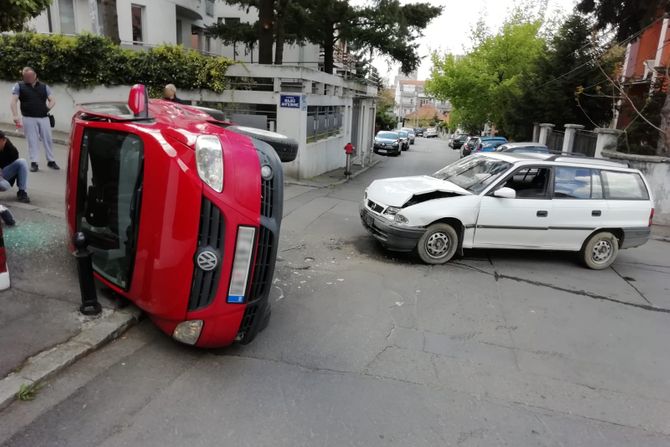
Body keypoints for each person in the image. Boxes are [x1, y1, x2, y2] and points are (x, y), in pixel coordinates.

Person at [10, 67, 60, 172]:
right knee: (32, 140)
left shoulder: (44, 87)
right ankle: (34, 162)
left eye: (31, 76)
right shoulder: (19, 86)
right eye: (26, 76)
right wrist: (15, 115)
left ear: (35, 75)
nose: (29, 78)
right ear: (23, 77)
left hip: (44, 118)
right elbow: (13, 101)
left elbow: (52, 100)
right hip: (28, 118)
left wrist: (47, 108)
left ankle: (51, 161)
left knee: (48, 139)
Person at [0, 131, 31, 204]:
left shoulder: (12, 150)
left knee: (22, 162)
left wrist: (9, 181)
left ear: (4, 141)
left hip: (3, 174)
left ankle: (22, 192)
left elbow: (16, 171)